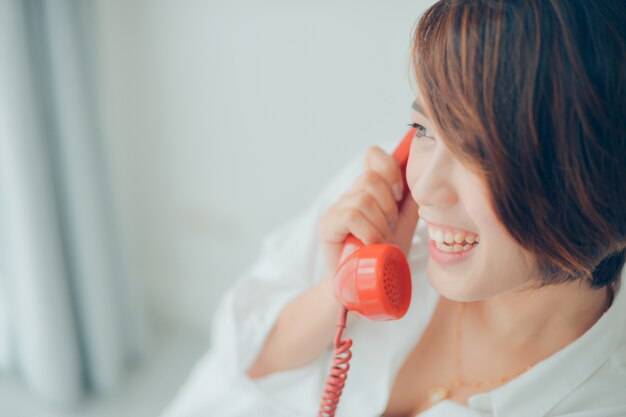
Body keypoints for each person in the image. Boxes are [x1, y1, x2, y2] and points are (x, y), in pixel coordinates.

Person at [160, 1, 626, 416]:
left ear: (598, 190)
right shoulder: (384, 200)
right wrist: (341, 291)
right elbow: (242, 359)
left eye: (480, 154)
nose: (424, 187)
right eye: (424, 130)